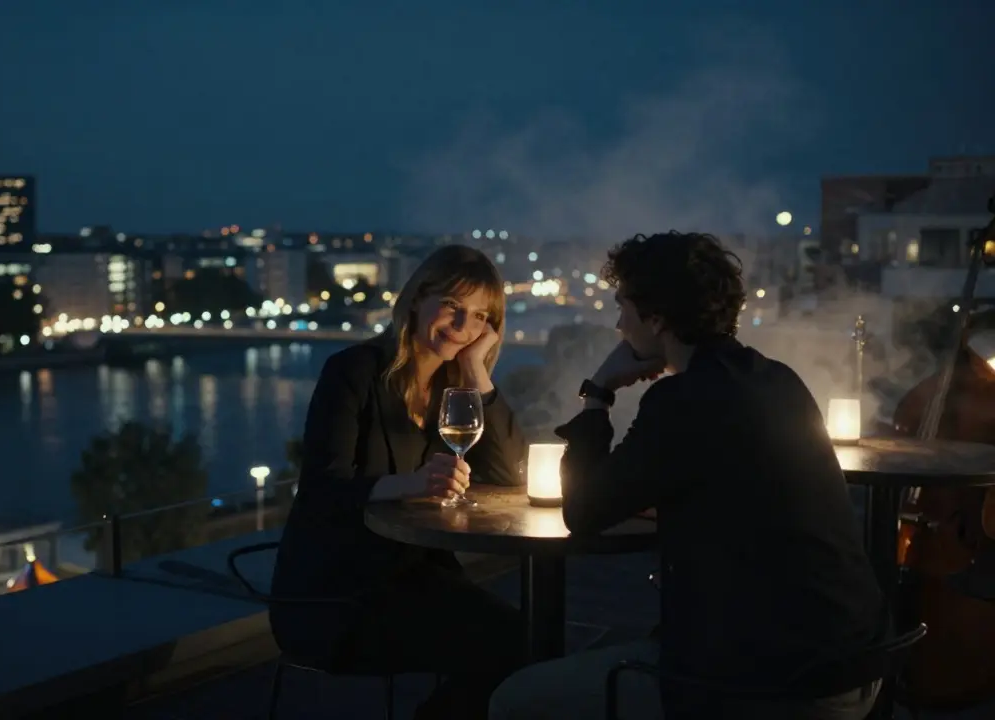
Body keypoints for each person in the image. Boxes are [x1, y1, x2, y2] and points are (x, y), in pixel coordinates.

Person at [490, 231, 887, 719]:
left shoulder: (682, 400)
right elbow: (731, 484)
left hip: (775, 684)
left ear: (655, 318)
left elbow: (583, 510)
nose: (618, 323)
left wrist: (598, 393)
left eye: (623, 308)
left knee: (517, 702)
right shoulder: (776, 378)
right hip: (857, 661)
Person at [270, 244, 528, 720]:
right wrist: (410, 483)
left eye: (478, 317)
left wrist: (475, 372)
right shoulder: (354, 372)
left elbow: (512, 476)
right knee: (514, 649)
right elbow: (323, 490)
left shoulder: (457, 385)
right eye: (452, 306)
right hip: (334, 595)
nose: (461, 326)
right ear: (416, 298)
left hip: (411, 579)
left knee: (527, 644)